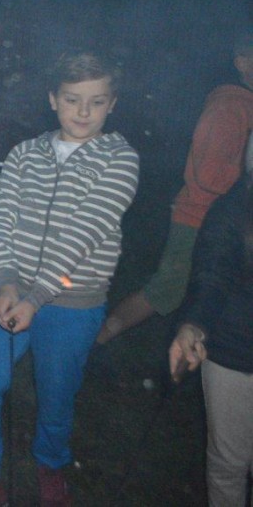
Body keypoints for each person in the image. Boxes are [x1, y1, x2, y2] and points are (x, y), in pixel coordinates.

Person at [0, 51, 140, 506]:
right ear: (53, 99)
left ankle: (51, 464)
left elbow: (83, 232)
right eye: (72, 99)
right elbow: (2, 218)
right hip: (9, 291)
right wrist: (6, 282)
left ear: (112, 104)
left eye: (96, 102)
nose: (83, 112)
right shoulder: (24, 154)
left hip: (74, 304)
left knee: (57, 398)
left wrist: (36, 297)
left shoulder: (120, 159)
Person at [96, 33, 253, 345]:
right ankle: (93, 342)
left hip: (226, 223)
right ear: (242, 62)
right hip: (199, 220)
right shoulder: (229, 106)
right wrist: (244, 187)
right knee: (165, 291)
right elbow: (207, 174)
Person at [169, 174, 253, 507]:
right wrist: (194, 326)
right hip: (235, 350)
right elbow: (213, 274)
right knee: (228, 464)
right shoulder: (236, 206)